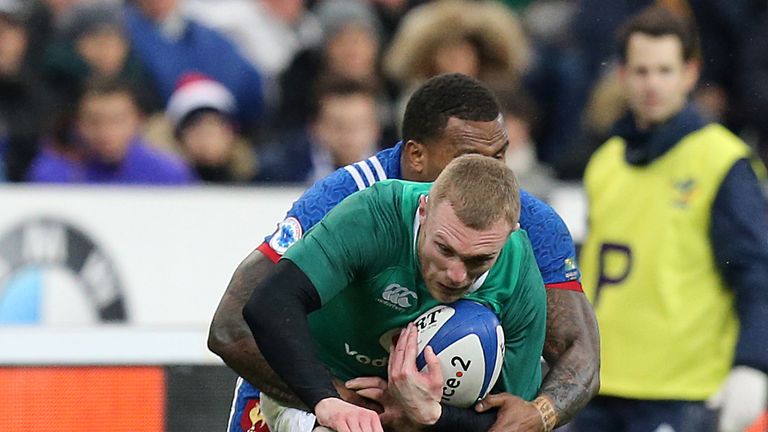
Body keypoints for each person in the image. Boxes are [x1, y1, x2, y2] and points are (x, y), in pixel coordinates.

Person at [210, 73, 599, 432]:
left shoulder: (528, 227)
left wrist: (541, 412)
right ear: (416, 156)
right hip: (314, 393)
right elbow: (233, 325)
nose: (488, 172)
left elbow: (577, 355)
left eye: (499, 156)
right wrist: (332, 397)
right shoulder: (352, 199)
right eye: (468, 159)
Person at [244, 154, 547, 432]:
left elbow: (513, 423)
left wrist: (430, 415)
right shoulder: (377, 215)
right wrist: (328, 400)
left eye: (478, 260)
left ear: (510, 235)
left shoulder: (518, 274)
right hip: (316, 391)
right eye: (444, 249)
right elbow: (269, 303)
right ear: (424, 209)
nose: (457, 275)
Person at [575, 6, 768, 432]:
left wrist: (753, 364)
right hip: (598, 384)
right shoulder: (605, 161)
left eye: (665, 70)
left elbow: (756, 273)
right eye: (642, 71)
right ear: (622, 75)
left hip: (679, 392)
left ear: (690, 73)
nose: (653, 84)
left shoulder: (722, 161)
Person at [27, 76, 195, 185]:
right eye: (94, 122)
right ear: (78, 124)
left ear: (138, 121)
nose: (106, 133)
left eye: (117, 120)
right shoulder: (53, 175)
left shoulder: (169, 175)